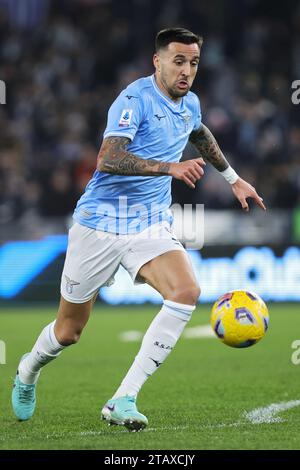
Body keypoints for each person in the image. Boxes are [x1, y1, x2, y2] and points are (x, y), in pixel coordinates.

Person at [12, 27, 266, 432]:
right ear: (158, 61)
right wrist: (170, 167)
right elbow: (108, 157)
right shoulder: (134, 100)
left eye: (194, 63)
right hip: (99, 226)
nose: (186, 71)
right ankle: (27, 370)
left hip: (148, 222)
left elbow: (199, 133)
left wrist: (233, 177)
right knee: (68, 332)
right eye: (178, 61)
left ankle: (123, 398)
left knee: (186, 292)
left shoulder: (190, 103)